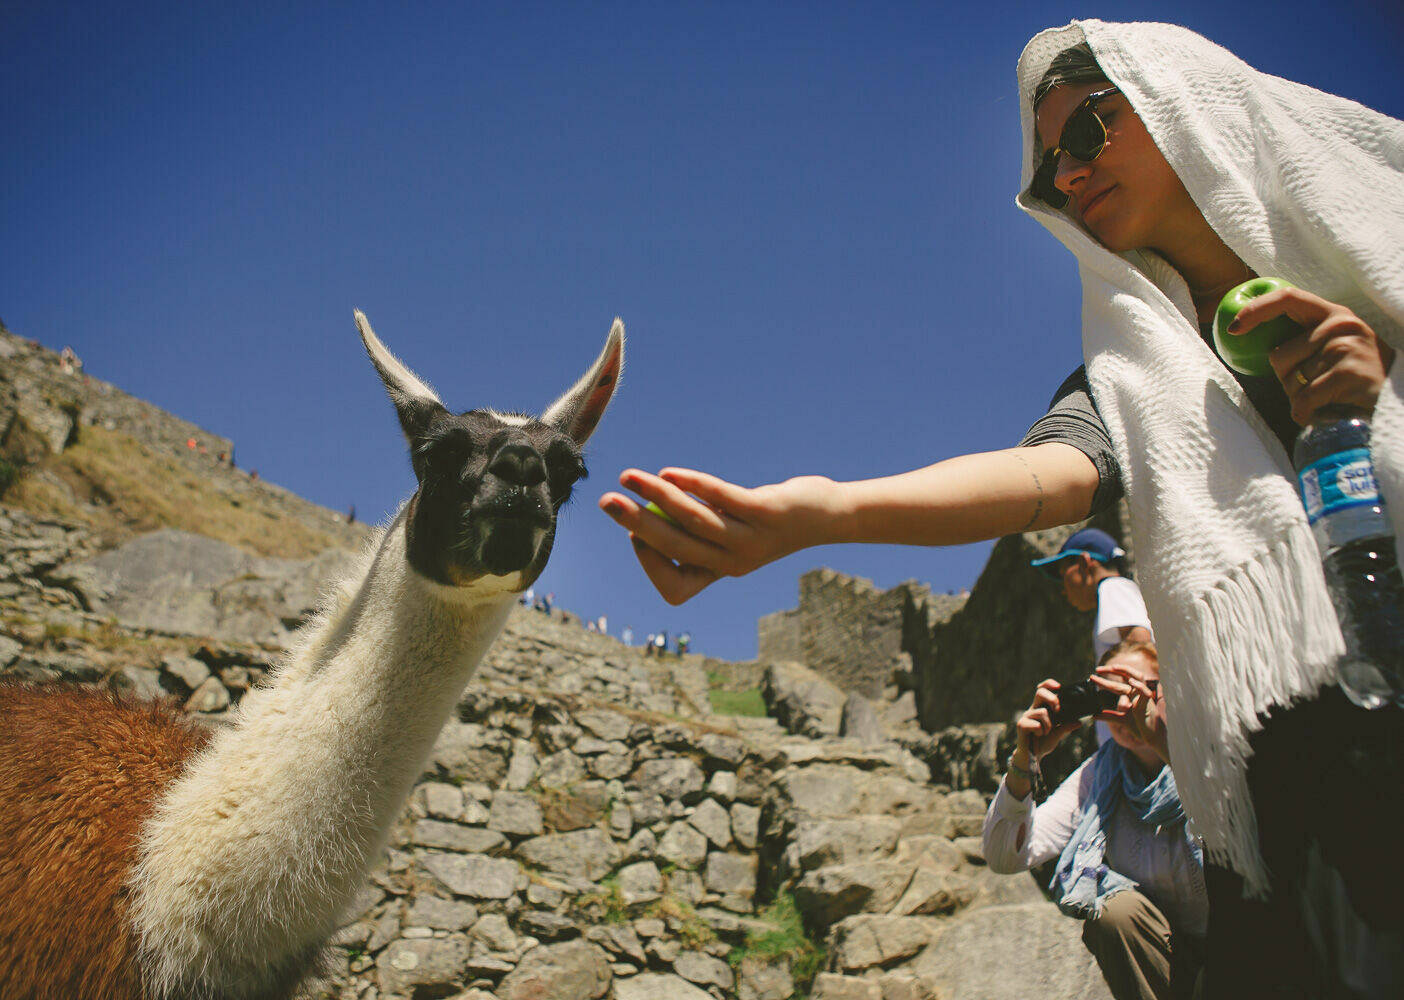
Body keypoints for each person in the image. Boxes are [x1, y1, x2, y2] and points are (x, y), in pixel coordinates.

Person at [599, 21, 1402, 997]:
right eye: (1047, 164)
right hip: (1301, 788)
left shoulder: (1377, 255)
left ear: (1178, 102)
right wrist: (824, 512)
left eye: (1087, 133)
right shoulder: (1123, 377)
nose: (1065, 176)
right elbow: (1041, 478)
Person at [983, 642, 1202, 1000]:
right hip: (1165, 962)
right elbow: (1004, 855)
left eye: (1135, 690)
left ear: (1170, 690)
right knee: (1115, 912)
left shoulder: (1208, 751)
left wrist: (1164, 743)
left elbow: (1243, 835)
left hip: (1246, 946)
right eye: (1107, 695)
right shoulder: (1100, 775)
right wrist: (1026, 759)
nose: (1124, 706)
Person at [1032, 527, 1153, 744]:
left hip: (1133, 742)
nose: (1062, 589)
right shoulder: (1117, 592)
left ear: (1085, 563)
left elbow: (1141, 643)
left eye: (1063, 575)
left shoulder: (1112, 588)